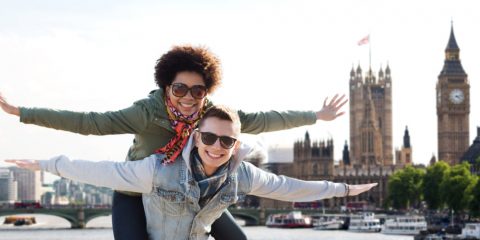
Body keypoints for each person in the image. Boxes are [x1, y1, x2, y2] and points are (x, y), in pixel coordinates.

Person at [0, 45, 347, 240]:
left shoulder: (212, 114)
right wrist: (21, 111)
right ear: (168, 86)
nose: (188, 98)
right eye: (179, 88)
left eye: (197, 91)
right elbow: (89, 123)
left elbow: (262, 119)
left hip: (191, 193)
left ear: (206, 91)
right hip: (138, 192)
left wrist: (315, 115)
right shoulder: (145, 112)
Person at [5, 105, 377, 240]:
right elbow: (101, 170)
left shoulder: (241, 173)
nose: (217, 146)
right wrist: (45, 164)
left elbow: (287, 187)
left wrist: (342, 188)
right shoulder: (158, 169)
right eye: (210, 138)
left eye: (227, 142)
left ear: (236, 144)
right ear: (196, 136)